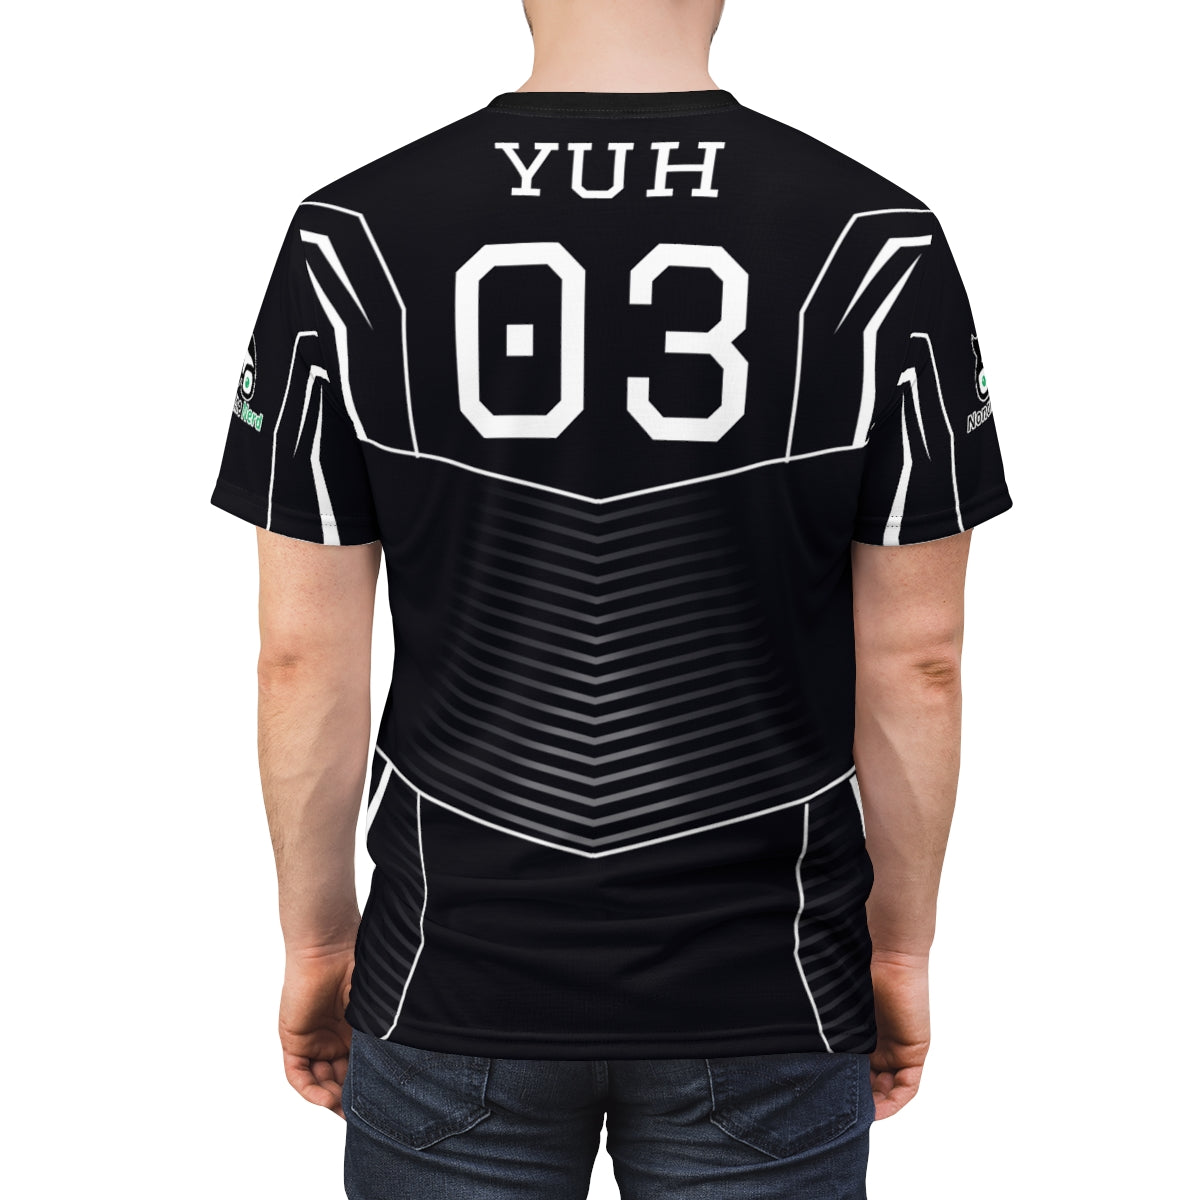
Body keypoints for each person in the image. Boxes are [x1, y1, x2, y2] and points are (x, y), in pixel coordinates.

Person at [210, 1, 1011, 1195]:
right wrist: (899, 950)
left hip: (449, 970)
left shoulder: (351, 241)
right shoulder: (877, 245)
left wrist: (319, 940)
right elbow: (919, 661)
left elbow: (301, 659)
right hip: (771, 983)